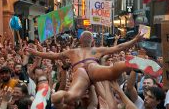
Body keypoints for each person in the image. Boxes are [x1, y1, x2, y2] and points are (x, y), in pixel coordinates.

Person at [28, 31, 162, 105]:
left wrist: (34, 52)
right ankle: (128, 63)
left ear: (80, 41)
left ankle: (56, 96)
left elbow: (52, 56)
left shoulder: (72, 51)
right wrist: (135, 39)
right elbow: (119, 47)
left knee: (71, 96)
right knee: (112, 71)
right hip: (93, 65)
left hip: (79, 70)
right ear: (92, 41)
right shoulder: (97, 49)